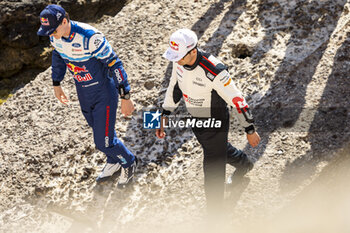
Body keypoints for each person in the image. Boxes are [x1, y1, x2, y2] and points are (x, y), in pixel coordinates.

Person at [156, 28, 261, 216]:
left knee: (212, 164)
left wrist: (249, 129)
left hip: (216, 121)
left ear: (193, 51)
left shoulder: (215, 70)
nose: (176, 61)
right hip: (196, 120)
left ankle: (214, 215)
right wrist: (164, 115)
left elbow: (238, 100)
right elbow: (174, 87)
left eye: (178, 56)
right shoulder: (178, 61)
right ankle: (244, 164)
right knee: (218, 149)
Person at [37, 4, 136, 188]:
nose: (51, 34)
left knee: (102, 141)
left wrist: (125, 96)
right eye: (48, 31)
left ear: (65, 21)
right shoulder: (55, 37)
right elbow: (58, 57)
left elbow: (115, 64)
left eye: (53, 29)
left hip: (104, 93)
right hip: (83, 92)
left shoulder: (90, 37)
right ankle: (113, 161)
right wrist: (56, 83)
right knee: (102, 132)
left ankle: (129, 162)